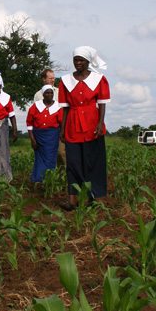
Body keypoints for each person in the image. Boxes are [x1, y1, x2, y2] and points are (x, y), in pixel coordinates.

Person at [58, 46, 110, 210]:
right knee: (73, 163)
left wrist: (100, 123)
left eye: (81, 60)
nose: (78, 63)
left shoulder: (98, 79)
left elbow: (101, 104)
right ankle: (72, 200)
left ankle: (90, 198)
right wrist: (62, 129)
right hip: (72, 125)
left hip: (91, 124)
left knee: (92, 162)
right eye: (76, 60)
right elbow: (65, 108)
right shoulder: (66, 80)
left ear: (88, 62)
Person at [26, 85, 62, 182]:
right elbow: (29, 123)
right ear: (43, 94)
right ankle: (38, 179)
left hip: (52, 136)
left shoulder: (57, 107)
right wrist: (33, 139)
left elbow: (61, 123)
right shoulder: (35, 106)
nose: (49, 95)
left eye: (51, 93)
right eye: (47, 93)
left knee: (50, 158)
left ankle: (48, 179)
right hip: (38, 135)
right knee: (40, 158)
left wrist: (62, 135)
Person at [34, 68, 65, 166]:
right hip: (45, 131)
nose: (53, 80)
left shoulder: (59, 92)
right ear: (44, 79)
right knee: (47, 154)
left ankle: (63, 176)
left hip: (59, 127)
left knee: (61, 153)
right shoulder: (38, 95)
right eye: (50, 78)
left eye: (54, 78)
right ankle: (49, 177)